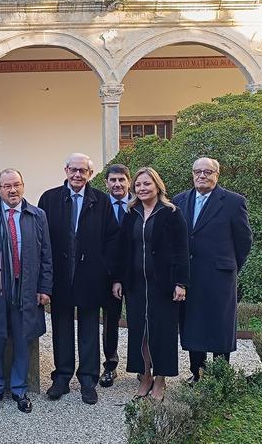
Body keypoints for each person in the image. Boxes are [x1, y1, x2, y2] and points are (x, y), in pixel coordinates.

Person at [38, 153, 119, 405]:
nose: (77, 175)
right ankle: (61, 378)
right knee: (61, 328)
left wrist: (107, 271)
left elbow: (112, 240)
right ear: (65, 170)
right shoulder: (49, 199)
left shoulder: (101, 201)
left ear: (90, 174)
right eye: (73, 169)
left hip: (91, 277)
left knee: (89, 329)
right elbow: (41, 241)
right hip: (60, 277)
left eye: (83, 171)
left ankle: (87, 380)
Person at [0, 169, 52, 414]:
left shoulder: (37, 215)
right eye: (7, 186)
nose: (12, 190)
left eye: (17, 185)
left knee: (22, 339)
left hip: (27, 287)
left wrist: (44, 287)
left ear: (23, 186)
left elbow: (46, 256)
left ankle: (20, 389)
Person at [113, 167, 189, 401]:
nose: (142, 188)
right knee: (140, 332)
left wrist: (181, 283)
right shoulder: (131, 213)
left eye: (147, 184)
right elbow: (122, 249)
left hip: (163, 285)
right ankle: (145, 375)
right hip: (136, 285)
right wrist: (118, 278)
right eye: (138, 185)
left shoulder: (171, 213)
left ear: (157, 186)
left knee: (162, 332)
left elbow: (181, 250)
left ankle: (160, 380)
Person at [174, 157, 252, 382]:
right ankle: (197, 373)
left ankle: (219, 376)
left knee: (219, 325)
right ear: (192, 174)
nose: (202, 176)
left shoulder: (233, 202)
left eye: (208, 172)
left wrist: (230, 265)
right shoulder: (180, 200)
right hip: (189, 275)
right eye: (198, 172)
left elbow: (244, 240)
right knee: (193, 324)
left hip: (220, 276)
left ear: (217, 175)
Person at [101, 164, 133, 388]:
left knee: (141, 321)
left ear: (129, 181)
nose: (117, 184)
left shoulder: (140, 203)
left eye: (121, 179)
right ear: (106, 183)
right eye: (112, 180)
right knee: (110, 322)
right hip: (109, 276)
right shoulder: (101, 205)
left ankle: (143, 366)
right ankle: (110, 366)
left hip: (138, 274)